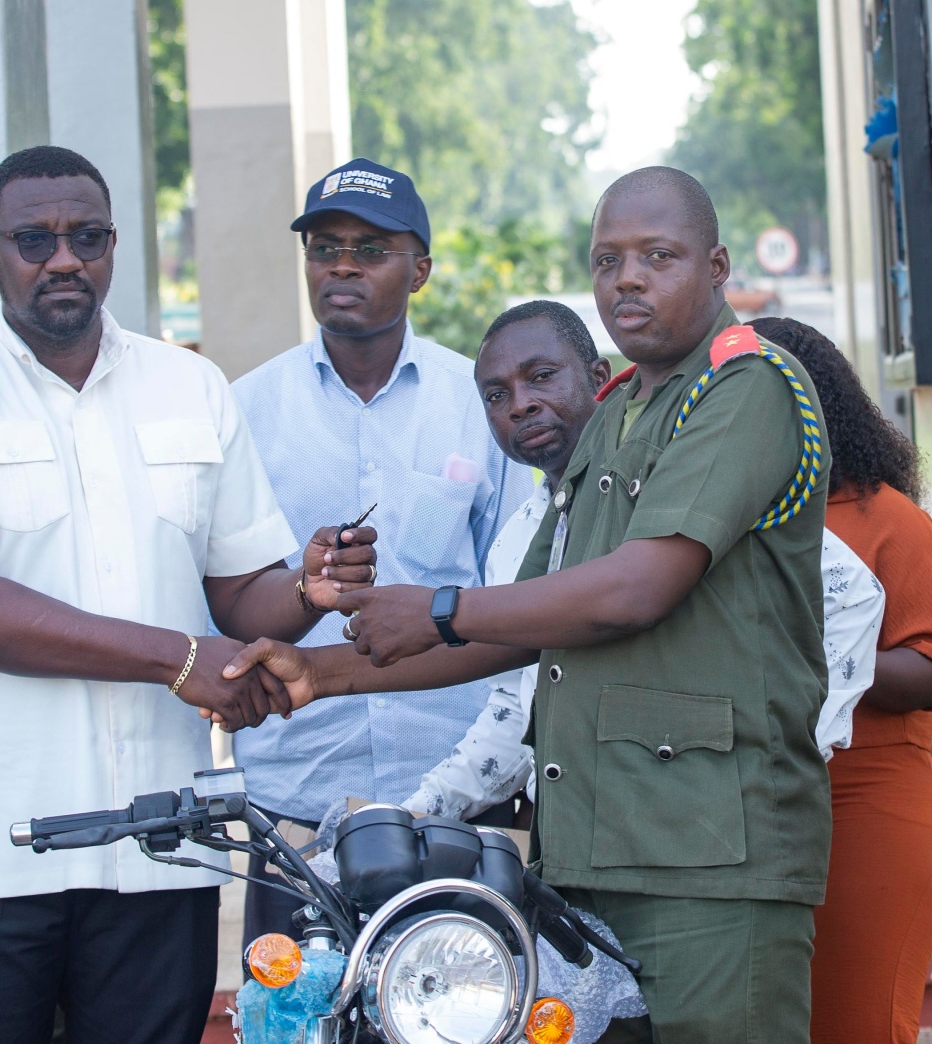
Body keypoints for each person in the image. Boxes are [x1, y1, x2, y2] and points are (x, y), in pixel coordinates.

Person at [224, 167, 834, 1042]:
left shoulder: (745, 388)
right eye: (606, 260)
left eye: (657, 256)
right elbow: (525, 618)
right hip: (592, 852)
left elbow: (634, 589)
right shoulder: (625, 410)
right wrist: (317, 672)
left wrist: (438, 606)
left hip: (713, 860)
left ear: (717, 265)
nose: (627, 279)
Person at [0, 145, 378, 1044]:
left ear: (112, 248)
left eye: (87, 236)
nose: (63, 258)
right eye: (34, 238)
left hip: (162, 844)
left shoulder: (190, 385)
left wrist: (306, 588)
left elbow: (239, 595)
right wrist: (179, 661)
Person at [404, 301, 884, 823]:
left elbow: (852, 593)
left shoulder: (674, 480)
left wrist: (786, 752)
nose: (521, 405)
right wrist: (413, 814)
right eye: (497, 396)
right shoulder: (516, 539)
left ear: (600, 379)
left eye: (542, 377)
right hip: (578, 835)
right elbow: (514, 713)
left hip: (703, 834)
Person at [230, 158, 532, 940]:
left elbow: (520, 598)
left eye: (370, 250)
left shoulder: (481, 404)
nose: (341, 266)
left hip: (456, 795)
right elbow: (226, 592)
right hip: (299, 794)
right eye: (324, 247)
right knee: (301, 1014)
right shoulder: (244, 409)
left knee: (469, 1010)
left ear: (420, 269)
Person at [748, 316, 932, 1044]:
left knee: (860, 1027)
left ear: (814, 406)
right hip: (761, 814)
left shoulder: (887, 519)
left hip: (870, 811)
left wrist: (818, 652)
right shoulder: (727, 521)